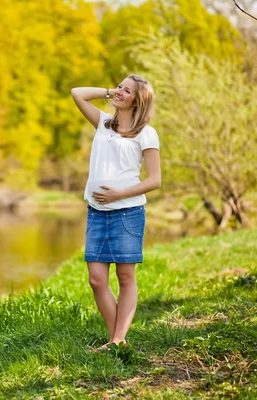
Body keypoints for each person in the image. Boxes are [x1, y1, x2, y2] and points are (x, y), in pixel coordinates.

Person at [70, 75, 161, 351]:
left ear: (139, 101)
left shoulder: (146, 133)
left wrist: (118, 194)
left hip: (127, 213)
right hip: (96, 212)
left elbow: (155, 180)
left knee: (125, 277)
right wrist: (111, 92)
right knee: (96, 279)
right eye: (120, 87)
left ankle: (117, 340)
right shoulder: (102, 124)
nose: (120, 92)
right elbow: (77, 92)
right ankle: (116, 341)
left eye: (127, 91)